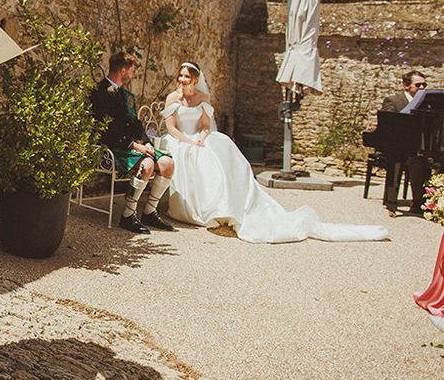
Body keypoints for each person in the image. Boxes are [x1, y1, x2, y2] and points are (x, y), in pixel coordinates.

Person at [159, 62, 390, 244]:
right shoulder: (172, 98)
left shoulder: (203, 99)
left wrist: (201, 137)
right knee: (192, 155)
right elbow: (171, 127)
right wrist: (188, 140)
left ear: (196, 79)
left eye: (186, 77)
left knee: (221, 148)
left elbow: (207, 126)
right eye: (180, 76)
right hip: (179, 139)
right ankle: (193, 207)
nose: (182, 80)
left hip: (197, 138)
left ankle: (223, 205)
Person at [90, 52, 175, 234]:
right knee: (147, 164)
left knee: (168, 164)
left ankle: (149, 212)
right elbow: (105, 130)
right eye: (132, 69)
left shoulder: (127, 95)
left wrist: (146, 142)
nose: (133, 73)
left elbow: (135, 123)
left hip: (131, 146)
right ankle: (128, 216)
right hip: (111, 147)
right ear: (122, 70)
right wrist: (135, 146)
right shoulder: (98, 93)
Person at [381, 70, 431, 214]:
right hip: (395, 144)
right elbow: (387, 122)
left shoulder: (426, 103)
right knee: (399, 160)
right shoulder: (394, 100)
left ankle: (418, 203)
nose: (422, 87)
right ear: (406, 86)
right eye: (418, 84)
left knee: (421, 162)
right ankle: (392, 203)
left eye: (424, 84)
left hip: (416, 145)